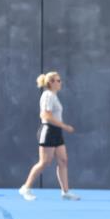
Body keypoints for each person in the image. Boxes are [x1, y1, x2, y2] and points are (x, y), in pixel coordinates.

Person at [18, 71, 80, 201]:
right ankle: (26, 187)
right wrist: (65, 126)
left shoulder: (54, 96)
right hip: (49, 131)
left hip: (56, 132)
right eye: (57, 80)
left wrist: (61, 127)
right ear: (50, 83)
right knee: (45, 162)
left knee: (63, 160)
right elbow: (45, 115)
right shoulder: (47, 95)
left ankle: (65, 192)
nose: (60, 82)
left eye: (60, 80)